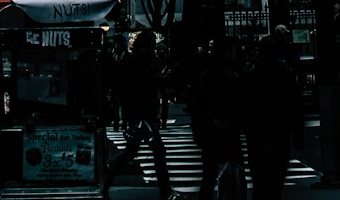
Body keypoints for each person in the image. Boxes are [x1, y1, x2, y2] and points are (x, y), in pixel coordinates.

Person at [105, 29, 180, 200]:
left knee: (132, 152)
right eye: (152, 43)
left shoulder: (135, 61)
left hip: (138, 114)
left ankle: (107, 179)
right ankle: (166, 191)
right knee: (157, 152)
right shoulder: (143, 62)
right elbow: (143, 87)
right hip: (143, 114)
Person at [241, 36, 303, 200]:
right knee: (276, 180)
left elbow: (244, 106)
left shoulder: (251, 77)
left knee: (260, 180)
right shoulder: (285, 77)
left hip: (257, 134)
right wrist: (297, 135)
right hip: (279, 132)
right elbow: (295, 107)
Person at [191, 40, 245, 200]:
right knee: (232, 167)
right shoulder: (234, 77)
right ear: (228, 54)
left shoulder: (206, 75)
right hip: (228, 130)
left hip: (208, 129)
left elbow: (198, 105)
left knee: (209, 173)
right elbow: (238, 106)